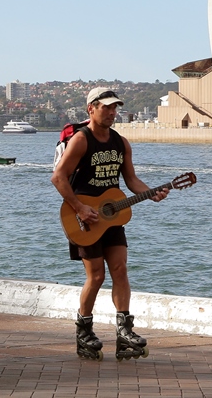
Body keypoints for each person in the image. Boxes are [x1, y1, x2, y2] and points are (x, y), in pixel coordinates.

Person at [51, 87, 169, 360]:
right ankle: (84, 333)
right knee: (96, 277)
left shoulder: (121, 142)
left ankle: (125, 333)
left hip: (112, 216)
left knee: (120, 269)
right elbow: (59, 177)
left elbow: (131, 181)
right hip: (83, 219)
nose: (112, 113)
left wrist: (152, 192)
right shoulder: (81, 140)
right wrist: (80, 209)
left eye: (115, 108)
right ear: (91, 108)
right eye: (107, 107)